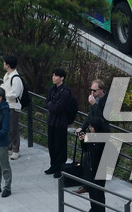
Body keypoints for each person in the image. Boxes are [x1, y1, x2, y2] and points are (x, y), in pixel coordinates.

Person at [75, 78, 110, 208]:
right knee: (91, 179)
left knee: (98, 184)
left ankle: (99, 209)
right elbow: (90, 117)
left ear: (101, 90)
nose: (92, 93)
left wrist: (94, 105)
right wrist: (83, 128)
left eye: (94, 90)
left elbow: (102, 120)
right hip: (93, 144)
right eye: (91, 90)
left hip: (102, 145)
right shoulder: (94, 102)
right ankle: (93, 207)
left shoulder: (107, 102)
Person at [44, 67, 77, 177]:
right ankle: (53, 165)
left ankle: (60, 167)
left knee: (60, 145)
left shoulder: (65, 92)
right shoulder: (52, 89)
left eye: (56, 76)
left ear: (62, 78)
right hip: (52, 121)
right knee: (51, 144)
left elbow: (59, 107)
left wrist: (51, 106)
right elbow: (47, 102)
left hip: (61, 122)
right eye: (53, 75)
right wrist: (51, 105)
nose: (53, 77)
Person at [1, 55, 24, 158]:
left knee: (13, 129)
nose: (3, 64)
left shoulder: (16, 78)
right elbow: (4, 86)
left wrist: (4, 95)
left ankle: (16, 149)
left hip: (13, 106)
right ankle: (9, 147)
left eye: (4, 62)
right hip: (7, 105)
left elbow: (15, 93)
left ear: (8, 65)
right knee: (7, 128)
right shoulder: (7, 76)